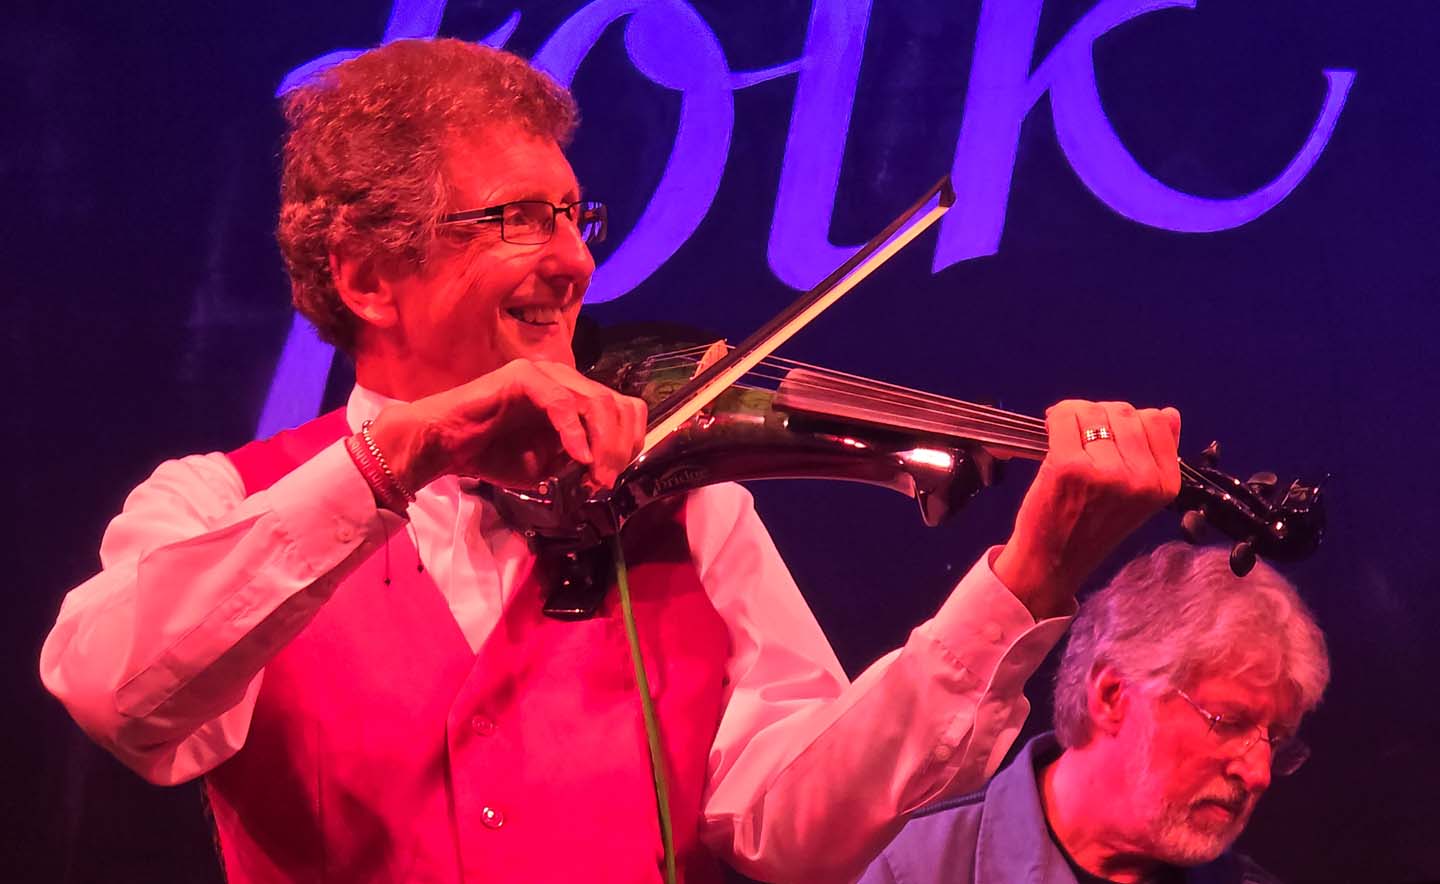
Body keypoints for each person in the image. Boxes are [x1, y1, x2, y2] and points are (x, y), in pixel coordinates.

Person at [40, 39, 1183, 884]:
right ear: (367, 277)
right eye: (516, 221)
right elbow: (114, 690)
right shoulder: (220, 502)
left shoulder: (679, 498)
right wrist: (396, 458)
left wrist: (1022, 584)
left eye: (572, 216)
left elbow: (794, 826)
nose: (574, 263)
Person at [858, 541, 1330, 884]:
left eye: (1275, 739)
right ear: (1111, 695)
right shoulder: (909, 867)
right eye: (1228, 722)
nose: (1259, 773)